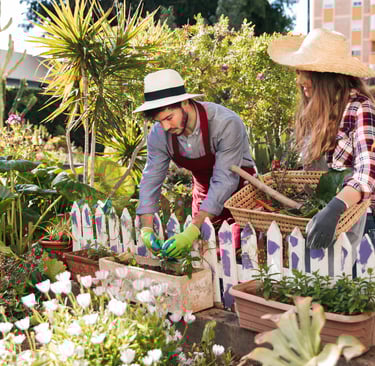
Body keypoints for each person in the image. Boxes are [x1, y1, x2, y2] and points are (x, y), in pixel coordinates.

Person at [267, 28, 375, 266]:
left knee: (343, 292)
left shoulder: (360, 108)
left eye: (304, 72)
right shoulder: (316, 111)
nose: (299, 80)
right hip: (319, 221)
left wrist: (335, 206)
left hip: (354, 223)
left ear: (325, 76)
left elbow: (368, 172)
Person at [133, 69, 256, 258]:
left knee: (238, 259)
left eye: (168, 118)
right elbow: (151, 178)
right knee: (204, 260)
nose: (166, 127)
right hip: (204, 195)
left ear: (185, 103)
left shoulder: (225, 123)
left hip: (240, 197)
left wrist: (192, 229)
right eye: (160, 121)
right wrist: (146, 229)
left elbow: (225, 179)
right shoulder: (159, 135)